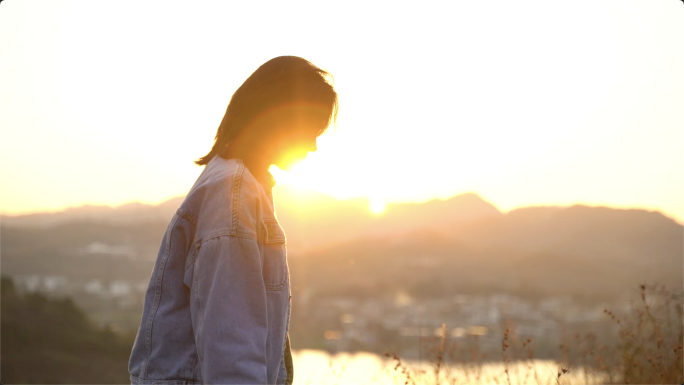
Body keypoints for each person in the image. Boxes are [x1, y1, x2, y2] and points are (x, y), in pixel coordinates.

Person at [128, 56, 339, 385]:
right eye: (310, 131)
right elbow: (231, 341)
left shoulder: (236, 185)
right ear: (277, 119)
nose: (313, 146)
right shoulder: (233, 197)